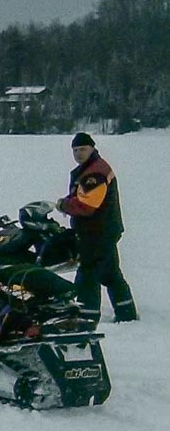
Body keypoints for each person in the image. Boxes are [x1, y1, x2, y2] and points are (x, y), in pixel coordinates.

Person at [57, 132, 137, 322]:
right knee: (110, 272)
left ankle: (87, 317)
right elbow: (83, 196)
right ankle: (126, 312)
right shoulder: (91, 169)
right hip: (104, 230)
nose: (78, 154)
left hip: (96, 232)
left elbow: (87, 205)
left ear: (92, 149)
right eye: (75, 150)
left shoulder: (95, 173)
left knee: (88, 274)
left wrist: (64, 205)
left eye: (82, 149)